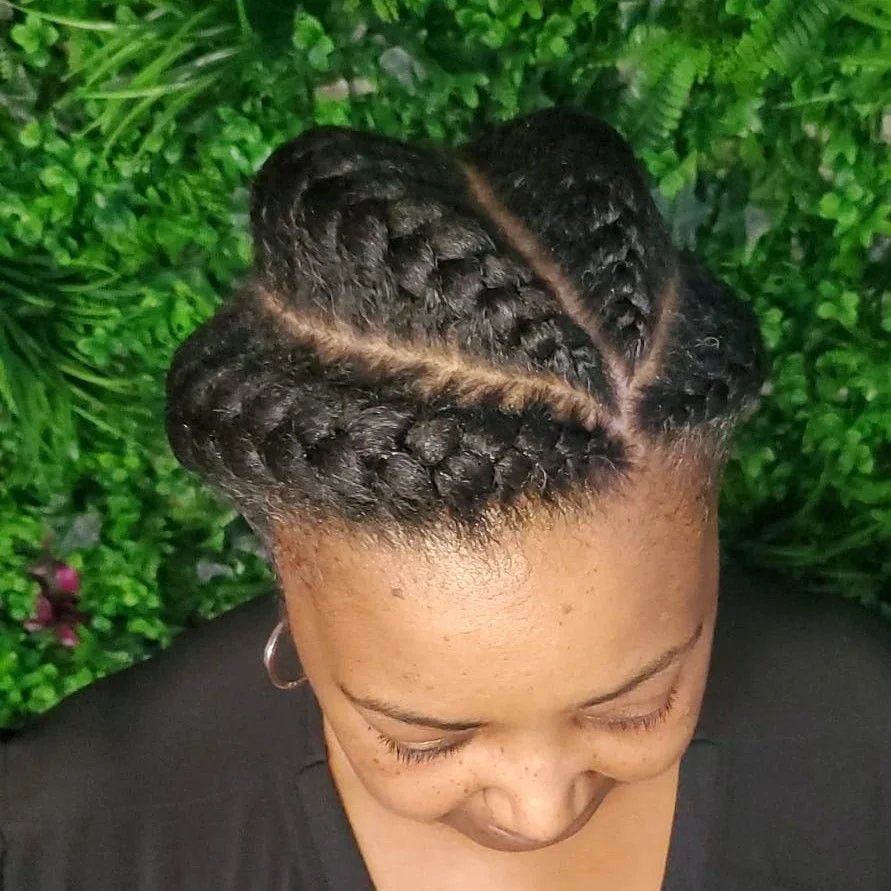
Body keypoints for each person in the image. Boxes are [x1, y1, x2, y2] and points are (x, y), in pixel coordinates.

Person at [1, 107, 889, 891]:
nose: (539, 809)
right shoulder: (69, 844)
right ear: (281, 555)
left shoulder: (864, 742)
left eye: (634, 705)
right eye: (424, 739)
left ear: (704, 519)